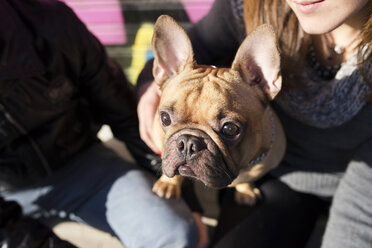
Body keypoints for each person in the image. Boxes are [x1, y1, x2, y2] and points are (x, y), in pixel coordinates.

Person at [136, 0, 372, 247]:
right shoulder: (247, 6)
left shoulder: (254, 82)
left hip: (358, 185)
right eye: (167, 119)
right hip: (267, 178)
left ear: (267, 80)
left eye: (228, 128)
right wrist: (147, 89)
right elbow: (198, 42)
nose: (189, 147)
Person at [0, 0, 200, 247]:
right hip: (5, 188)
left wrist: (179, 187)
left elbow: (124, 112)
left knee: (175, 234)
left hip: (80, 163)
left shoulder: (50, 22)